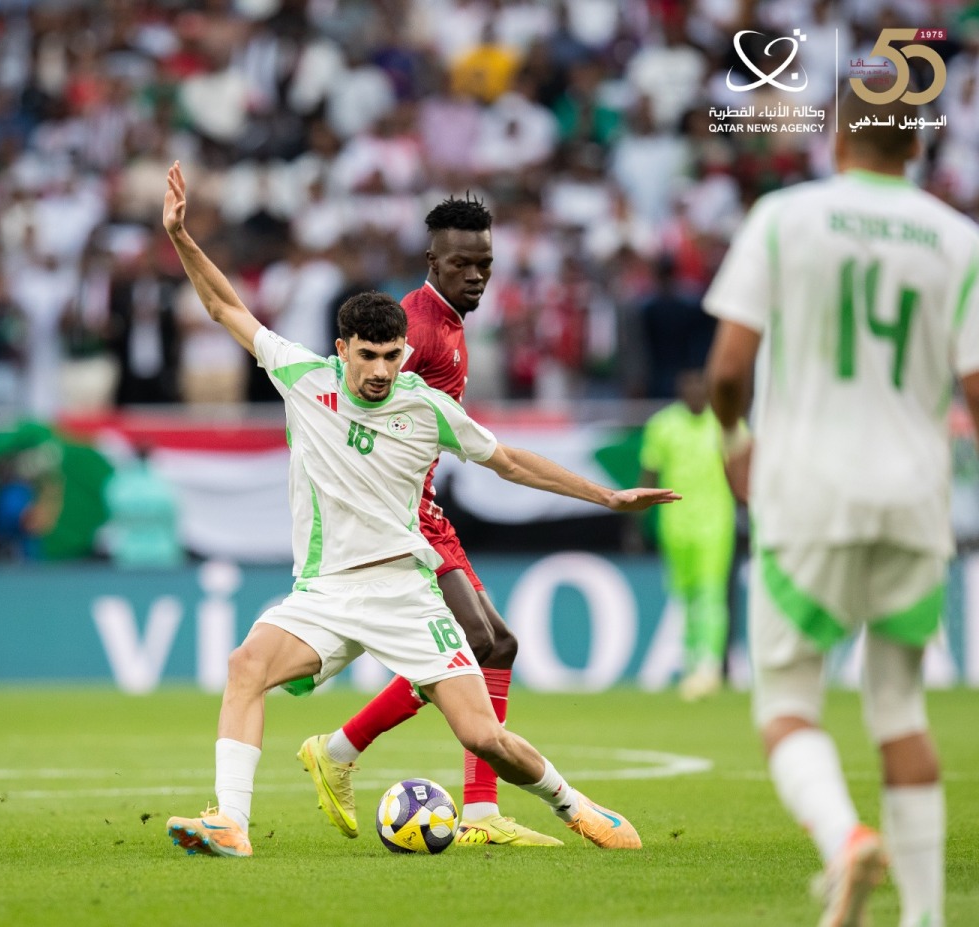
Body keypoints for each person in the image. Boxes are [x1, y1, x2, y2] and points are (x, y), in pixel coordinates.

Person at [160, 160, 680, 859]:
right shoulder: (301, 376)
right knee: (245, 665)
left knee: (481, 735)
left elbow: (513, 462)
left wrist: (607, 494)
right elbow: (226, 307)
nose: (380, 371)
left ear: (406, 352)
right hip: (326, 591)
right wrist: (181, 237)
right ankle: (231, 821)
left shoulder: (427, 406)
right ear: (341, 350)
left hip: (407, 591)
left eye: (392, 356)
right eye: (368, 356)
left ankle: (574, 803)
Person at [704, 89, 979, 927]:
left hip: (807, 491)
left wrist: (734, 441)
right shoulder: (960, 240)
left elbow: (726, 369)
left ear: (837, 137)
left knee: (787, 704)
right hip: (913, 499)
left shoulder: (785, 218)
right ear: (918, 148)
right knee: (899, 707)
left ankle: (843, 838)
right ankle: (927, 918)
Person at [296, 193, 565, 848]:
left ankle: (470, 807)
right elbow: (348, 400)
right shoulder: (412, 331)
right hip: (402, 517)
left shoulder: (450, 323)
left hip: (428, 508)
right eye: (462, 264)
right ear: (432, 262)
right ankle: (346, 751)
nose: (475, 276)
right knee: (474, 643)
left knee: (494, 644)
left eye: (485, 264)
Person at [639, 368, 736, 700]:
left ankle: (709, 666)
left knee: (710, 594)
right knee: (687, 597)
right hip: (676, 526)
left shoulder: (726, 424)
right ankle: (694, 663)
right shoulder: (663, 425)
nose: (696, 395)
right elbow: (648, 475)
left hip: (715, 524)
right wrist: (639, 523)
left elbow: (743, 471)